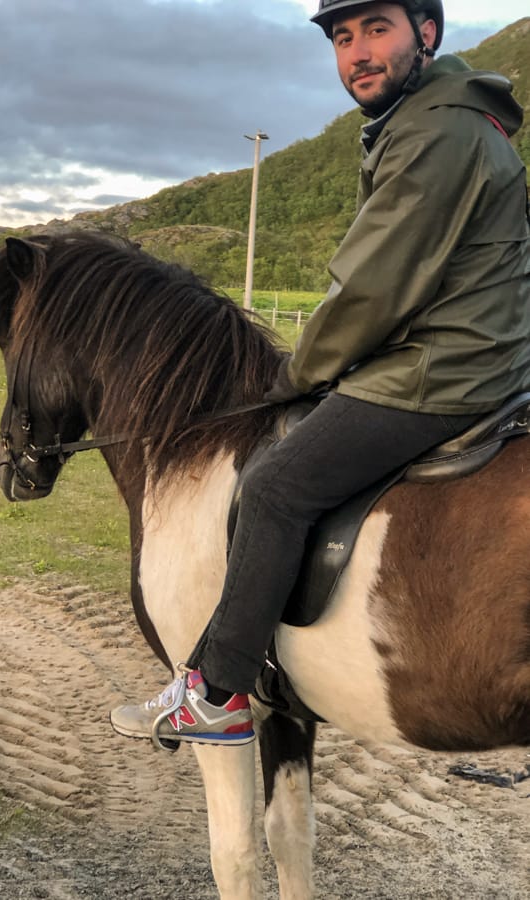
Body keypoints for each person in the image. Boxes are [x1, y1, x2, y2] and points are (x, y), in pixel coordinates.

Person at [110, 0, 530, 747]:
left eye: (377, 29)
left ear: (425, 34)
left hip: (440, 371)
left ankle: (216, 693)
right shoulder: (454, 117)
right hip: (476, 353)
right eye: (343, 37)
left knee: (274, 486)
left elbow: (370, 287)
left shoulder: (435, 130)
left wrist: (293, 376)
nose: (358, 52)